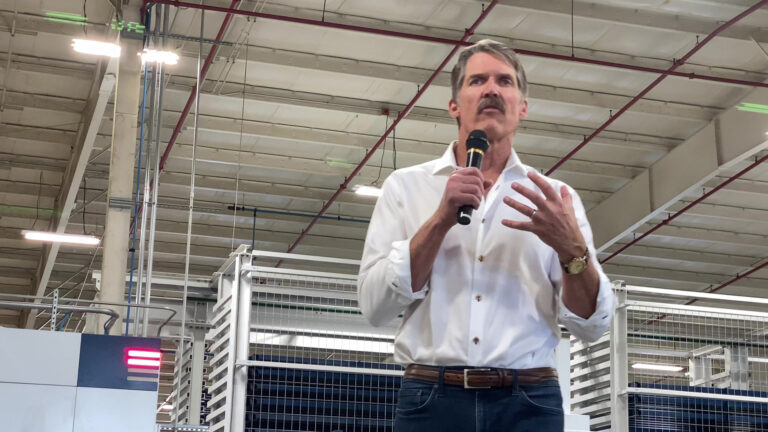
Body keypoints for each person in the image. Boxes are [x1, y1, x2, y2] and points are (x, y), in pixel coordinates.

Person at [357, 39, 615, 431]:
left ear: (522, 107)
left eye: (505, 82)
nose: (492, 89)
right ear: (454, 105)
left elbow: (592, 327)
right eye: (478, 80)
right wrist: (441, 219)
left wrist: (572, 250)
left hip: (528, 403)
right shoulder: (405, 188)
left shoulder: (556, 200)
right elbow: (375, 306)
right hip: (430, 400)